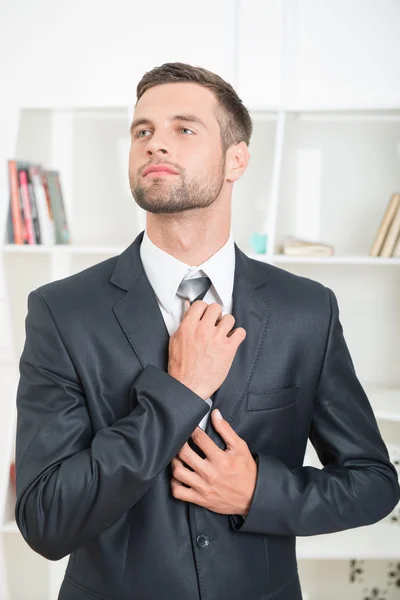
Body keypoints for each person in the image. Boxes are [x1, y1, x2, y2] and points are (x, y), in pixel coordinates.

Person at [15, 62, 400, 600]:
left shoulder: (307, 310)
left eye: (184, 129)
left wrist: (257, 492)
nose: (155, 144)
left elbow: (373, 483)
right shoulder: (61, 311)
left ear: (235, 159)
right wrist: (179, 393)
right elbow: (45, 519)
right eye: (142, 131)